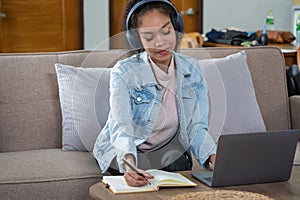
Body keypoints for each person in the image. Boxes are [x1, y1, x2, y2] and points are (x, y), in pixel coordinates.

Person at [93, 0, 216, 187]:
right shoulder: (124, 72)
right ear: (138, 40)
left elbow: (196, 127)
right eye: (149, 37)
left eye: (166, 31)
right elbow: (121, 126)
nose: (160, 42)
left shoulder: (193, 70)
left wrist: (213, 156)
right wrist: (128, 165)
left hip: (166, 149)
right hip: (127, 150)